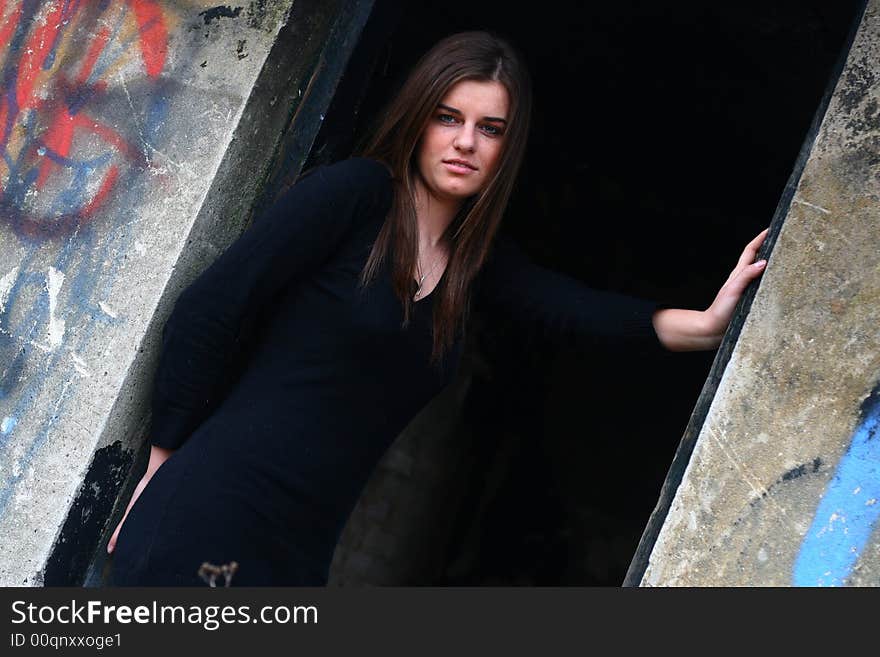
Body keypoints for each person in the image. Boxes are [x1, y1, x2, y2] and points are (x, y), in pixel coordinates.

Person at [106, 31, 768, 586]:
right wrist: (164, 465)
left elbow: (575, 309)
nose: (465, 142)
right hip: (212, 502)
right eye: (448, 117)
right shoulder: (357, 195)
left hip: (301, 548)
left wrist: (705, 323)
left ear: (507, 149)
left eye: (490, 128)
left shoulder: (475, 267)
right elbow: (212, 307)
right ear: (418, 118)